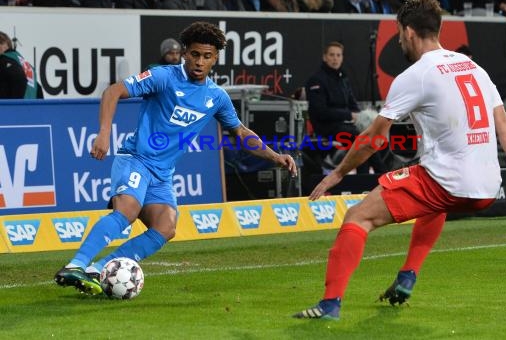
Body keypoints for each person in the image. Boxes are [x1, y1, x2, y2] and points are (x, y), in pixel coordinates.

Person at [293, 0, 506, 320]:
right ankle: (408, 275)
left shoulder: (417, 75)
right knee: (433, 202)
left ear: (409, 32)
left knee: (358, 217)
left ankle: (329, 305)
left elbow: (374, 138)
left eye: (399, 33)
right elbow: (505, 125)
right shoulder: (474, 67)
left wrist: (338, 173)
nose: (399, 40)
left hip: (447, 179)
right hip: (486, 186)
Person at [53, 21, 297, 295]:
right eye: (194, 54)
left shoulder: (216, 96)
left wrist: (275, 156)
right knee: (128, 211)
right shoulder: (163, 77)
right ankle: (76, 264)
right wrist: (104, 132)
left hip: (162, 174)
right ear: (185, 53)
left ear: (215, 59)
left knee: (166, 227)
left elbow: (240, 131)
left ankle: (99, 269)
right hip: (136, 158)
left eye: (207, 56)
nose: (199, 62)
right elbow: (114, 91)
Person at [305, 41, 388, 175]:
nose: (335, 58)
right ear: (325, 57)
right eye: (332, 55)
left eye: (338, 55)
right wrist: (349, 115)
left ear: (342, 57)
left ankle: (370, 178)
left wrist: (361, 117)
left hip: (345, 125)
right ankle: (376, 176)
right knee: (361, 138)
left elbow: (352, 104)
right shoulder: (316, 80)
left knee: (370, 134)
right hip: (326, 128)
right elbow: (320, 112)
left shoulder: (343, 78)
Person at [0, 31, 42, 99]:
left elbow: (19, 77)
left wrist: (15, 105)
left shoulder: (4, 60)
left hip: (12, 107)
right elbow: (38, 88)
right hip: (30, 107)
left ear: (3, 45)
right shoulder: (25, 63)